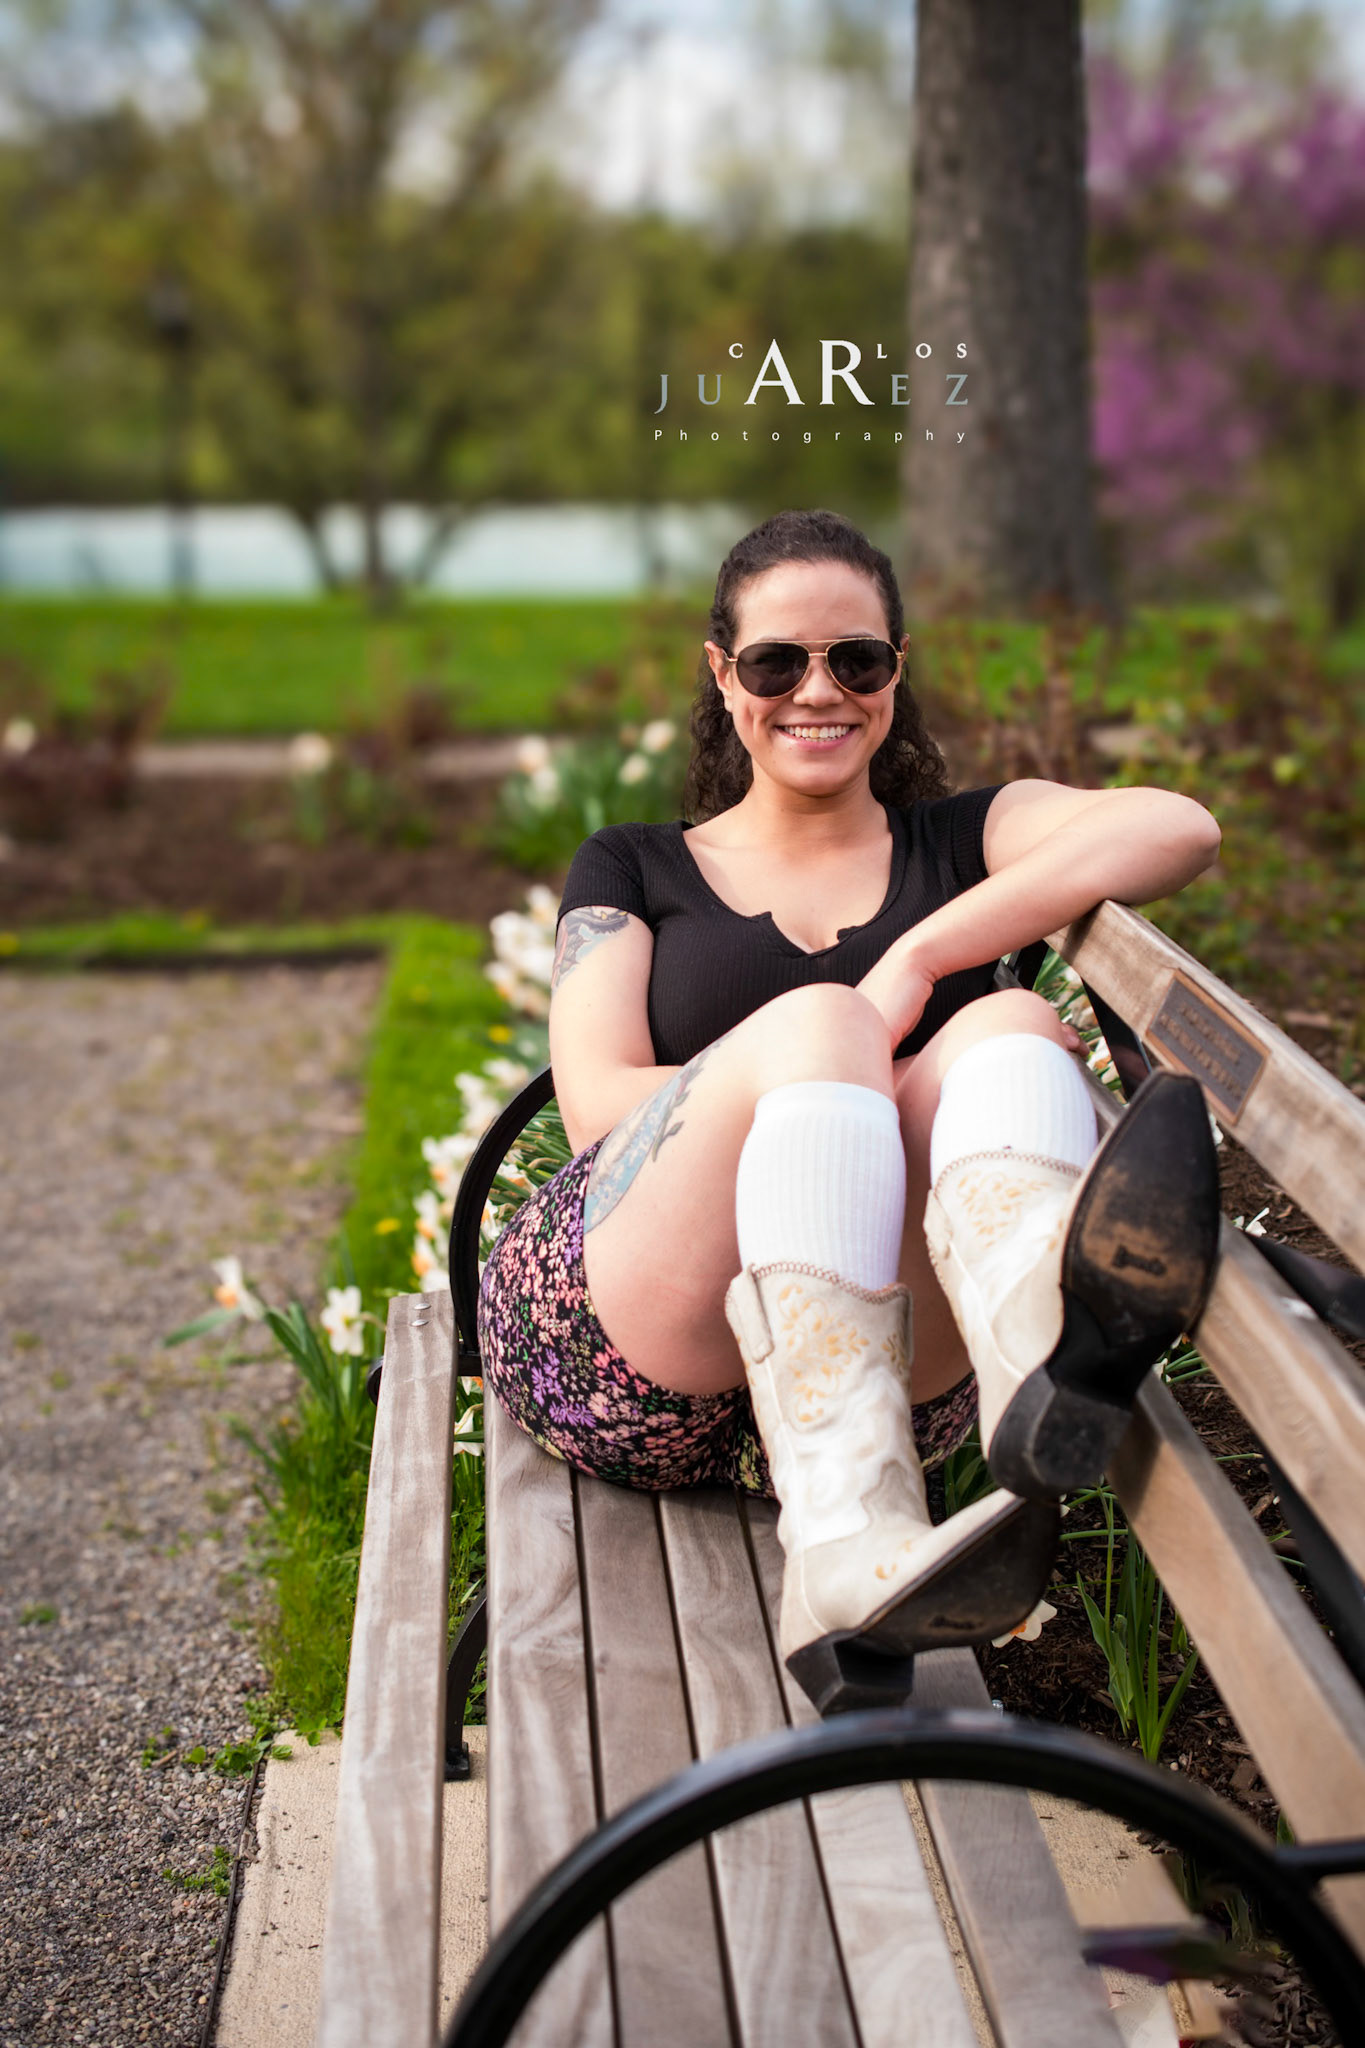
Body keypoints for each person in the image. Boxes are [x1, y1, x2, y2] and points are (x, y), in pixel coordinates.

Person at [478, 508, 1222, 1716]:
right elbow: (596, 1102)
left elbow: (1179, 827)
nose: (818, 690)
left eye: (856, 659)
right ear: (724, 675)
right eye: (777, 661)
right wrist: (818, 1047)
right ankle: (852, 1515)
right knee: (826, 1025)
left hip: (890, 1389)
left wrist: (921, 956)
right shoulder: (635, 865)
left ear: (895, 670)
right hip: (622, 1348)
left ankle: (1013, 1363)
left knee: (1008, 1024)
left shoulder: (963, 838)